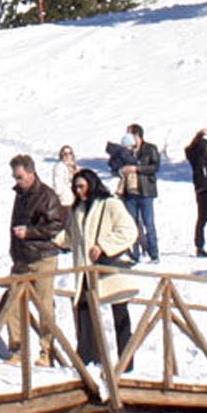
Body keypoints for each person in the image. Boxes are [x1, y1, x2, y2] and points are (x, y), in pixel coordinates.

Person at [58, 169, 143, 367]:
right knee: (85, 311)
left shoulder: (110, 204)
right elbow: (72, 238)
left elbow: (129, 231)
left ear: (91, 184)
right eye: (75, 187)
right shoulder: (77, 209)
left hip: (110, 268)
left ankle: (126, 364)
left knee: (120, 314)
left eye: (81, 186)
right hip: (86, 271)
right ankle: (89, 360)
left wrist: (104, 246)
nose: (78, 191)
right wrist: (49, 236)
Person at [4, 155, 66, 366]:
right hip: (21, 258)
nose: (17, 181)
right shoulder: (20, 195)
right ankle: (18, 350)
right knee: (12, 303)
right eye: (15, 177)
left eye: (20, 177)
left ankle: (47, 352)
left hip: (42, 257)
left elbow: (56, 225)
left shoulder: (46, 195)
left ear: (31, 173)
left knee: (44, 306)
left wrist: (30, 232)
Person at [106, 124, 162, 263]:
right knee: (132, 224)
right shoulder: (125, 151)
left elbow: (155, 167)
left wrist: (136, 168)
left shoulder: (150, 149)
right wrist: (120, 170)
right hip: (129, 193)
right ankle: (134, 253)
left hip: (145, 191)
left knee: (148, 223)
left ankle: (153, 253)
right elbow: (114, 167)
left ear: (137, 135)